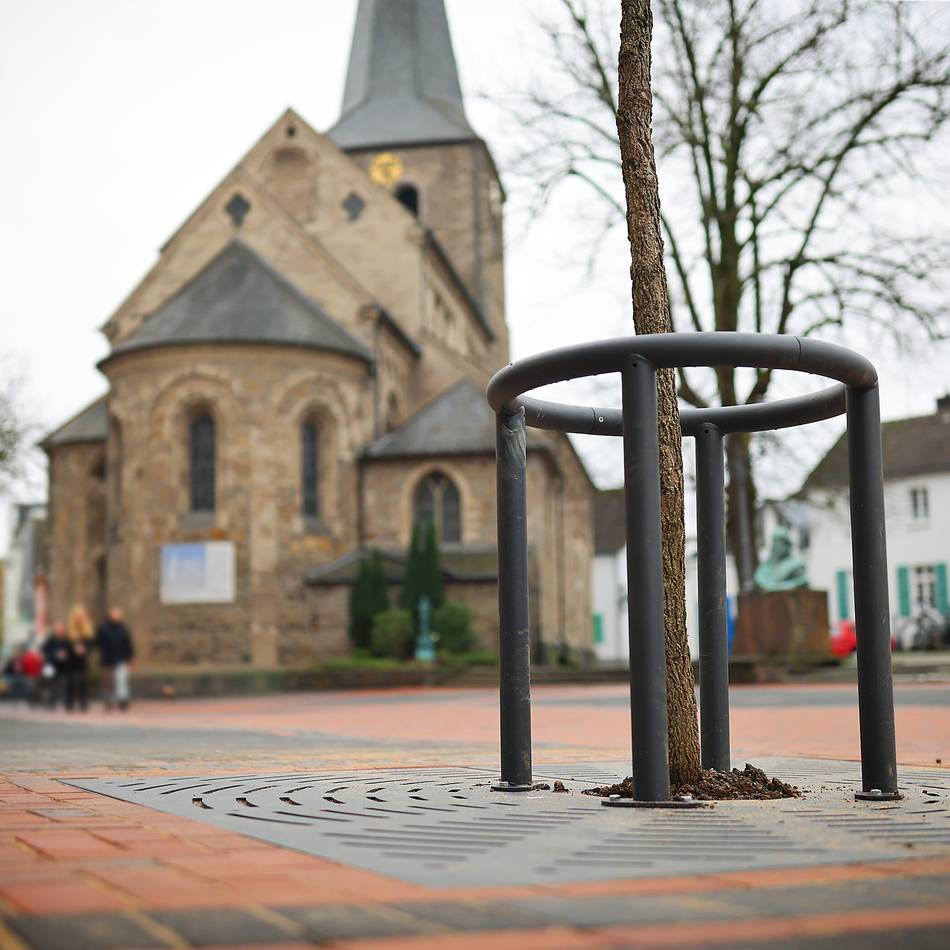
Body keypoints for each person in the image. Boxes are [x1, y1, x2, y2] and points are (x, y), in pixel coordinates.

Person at [96, 606, 135, 710]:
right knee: (108, 682)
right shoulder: (103, 628)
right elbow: (98, 643)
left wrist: (130, 657)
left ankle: (123, 700)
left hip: (121, 658)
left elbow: (128, 643)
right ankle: (108, 701)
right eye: (114, 614)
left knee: (121, 680)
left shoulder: (124, 628)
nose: (116, 616)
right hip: (107, 659)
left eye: (118, 614)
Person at [66, 604, 94, 712]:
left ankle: (83, 704)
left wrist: (84, 648)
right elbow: (66, 643)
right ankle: (70, 704)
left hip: (82, 660)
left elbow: (91, 643)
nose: (79, 617)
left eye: (81, 615)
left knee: (83, 681)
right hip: (71, 660)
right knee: (71, 682)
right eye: (77, 615)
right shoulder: (69, 629)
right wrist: (74, 648)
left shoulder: (88, 628)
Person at [41, 622, 73, 709]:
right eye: (57, 628)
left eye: (61, 628)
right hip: (52, 666)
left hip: (64, 667)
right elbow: (44, 651)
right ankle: (51, 703)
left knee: (65, 685)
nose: (59, 630)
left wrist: (66, 655)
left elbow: (71, 652)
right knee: (51, 685)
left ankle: (66, 704)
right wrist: (55, 654)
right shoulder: (50, 640)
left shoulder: (67, 640)